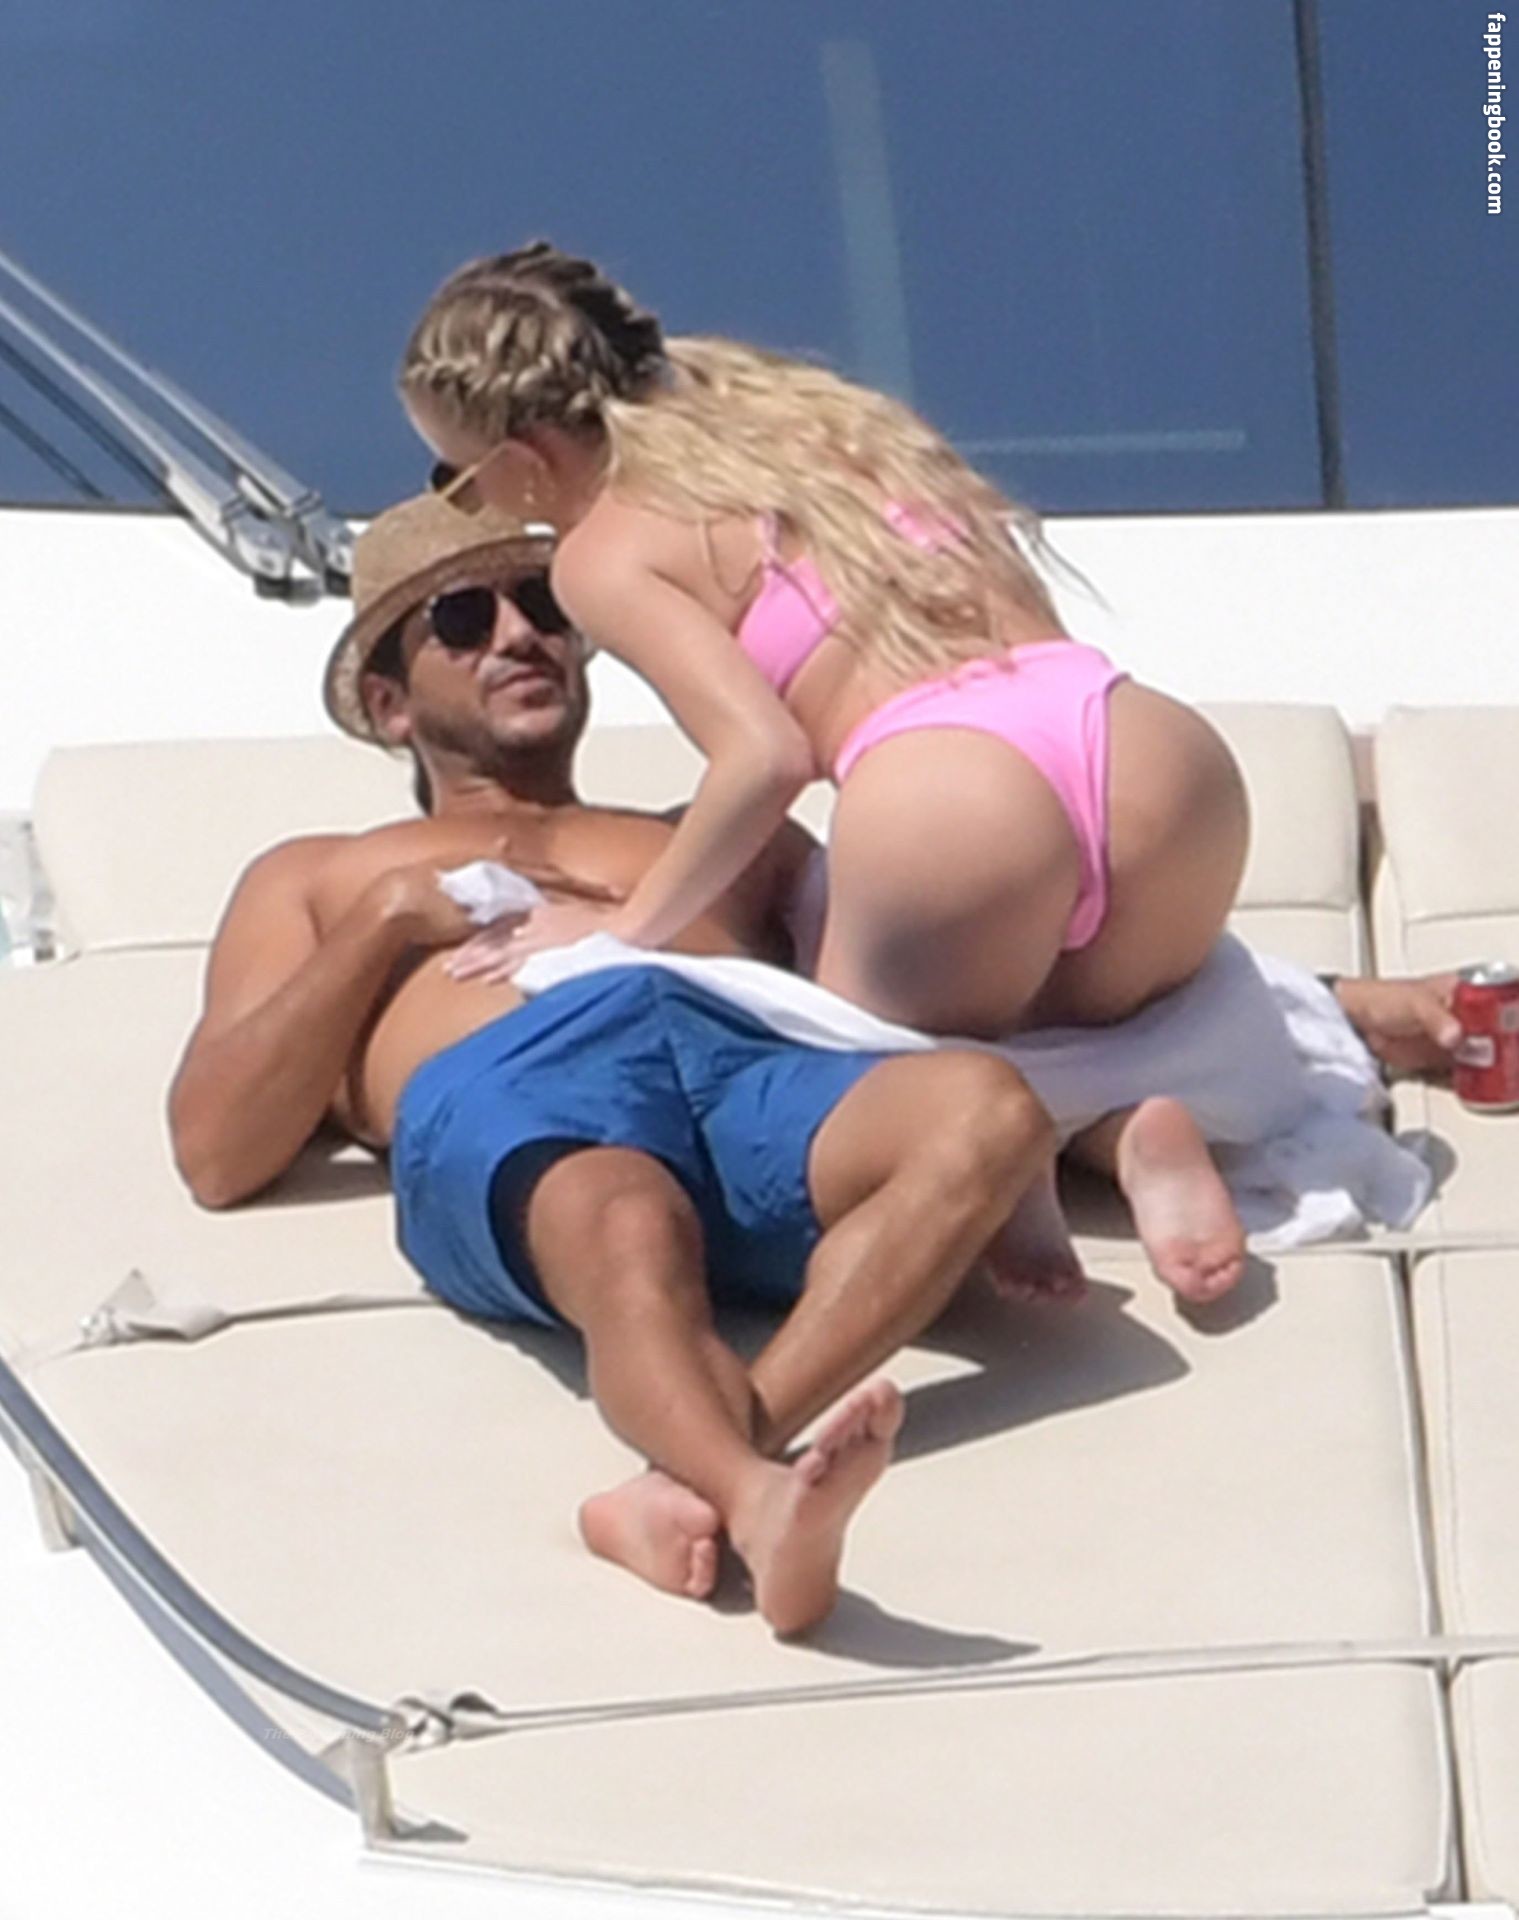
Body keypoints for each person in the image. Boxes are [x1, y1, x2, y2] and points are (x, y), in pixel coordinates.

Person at [168, 492, 1056, 1638]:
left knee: (988, 1110)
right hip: (526, 1084)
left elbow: (948, 978)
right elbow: (215, 1150)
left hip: (741, 1063)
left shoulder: (717, 837)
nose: (518, 635)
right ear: (389, 705)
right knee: (628, 1217)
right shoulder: (323, 873)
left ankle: (702, 1477)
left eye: (543, 605)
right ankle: (754, 1498)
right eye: (462, 618)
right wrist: (383, 923)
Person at [396, 239, 1252, 1297]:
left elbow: (763, 758)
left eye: (460, 482)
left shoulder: (601, 550)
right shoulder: (821, 429)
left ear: (524, 453)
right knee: (1085, 1022)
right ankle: (1128, 1134)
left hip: (947, 787)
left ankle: (1027, 1164)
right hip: (1147, 753)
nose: (482, 510)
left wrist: (625, 927)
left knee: (842, 1094)